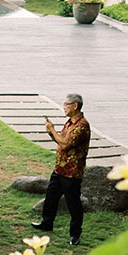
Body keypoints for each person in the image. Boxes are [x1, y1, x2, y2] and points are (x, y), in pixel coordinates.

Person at [32, 94, 91, 246]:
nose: (64, 107)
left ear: (75, 106)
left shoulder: (81, 125)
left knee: (73, 204)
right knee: (51, 197)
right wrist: (51, 132)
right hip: (60, 169)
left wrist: (53, 130)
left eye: (66, 104)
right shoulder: (69, 123)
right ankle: (47, 223)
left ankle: (75, 234)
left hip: (72, 172)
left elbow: (65, 144)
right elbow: (60, 141)